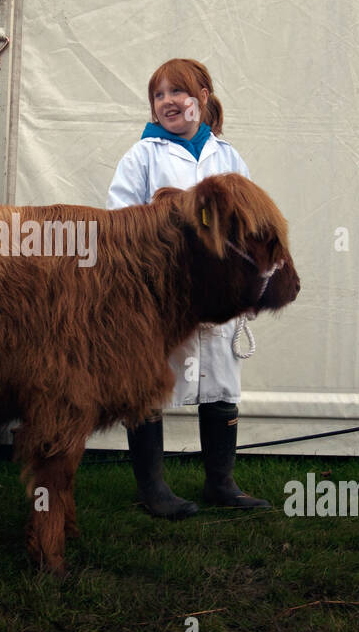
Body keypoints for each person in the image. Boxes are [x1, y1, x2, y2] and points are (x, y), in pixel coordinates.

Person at [107, 58, 271, 518]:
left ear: (201, 97)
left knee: (221, 382)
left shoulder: (228, 156)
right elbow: (120, 223)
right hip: (163, 299)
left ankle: (221, 483)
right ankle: (153, 489)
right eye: (158, 96)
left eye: (177, 92)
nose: (167, 102)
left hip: (216, 299)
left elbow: (250, 223)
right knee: (149, 384)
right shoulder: (142, 157)